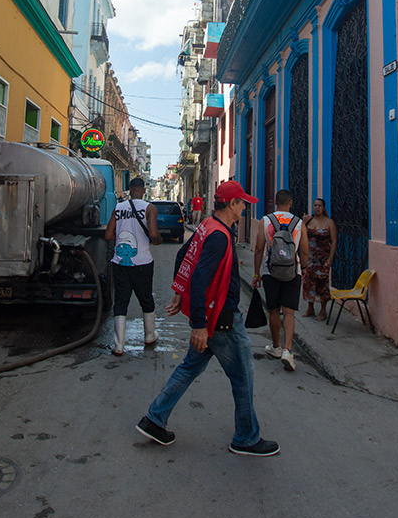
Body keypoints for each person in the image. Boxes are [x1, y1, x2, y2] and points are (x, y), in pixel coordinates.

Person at [135, 180, 279, 457]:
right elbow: (200, 277)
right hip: (221, 319)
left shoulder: (209, 226)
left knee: (189, 368)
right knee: (243, 376)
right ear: (232, 204)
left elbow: (183, 256)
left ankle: (154, 419)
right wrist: (199, 325)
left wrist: (179, 292)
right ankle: (246, 438)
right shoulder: (219, 236)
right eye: (242, 203)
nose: (244, 208)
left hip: (214, 316)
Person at [105, 177, 163, 356]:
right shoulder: (149, 208)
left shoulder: (118, 208)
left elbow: (108, 235)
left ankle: (119, 345)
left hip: (119, 263)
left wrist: (122, 240)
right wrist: (158, 240)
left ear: (130, 189)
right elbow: (153, 234)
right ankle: (149, 335)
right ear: (144, 191)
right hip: (143, 263)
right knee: (146, 298)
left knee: (121, 301)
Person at [253, 189, 308, 372]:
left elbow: (259, 248)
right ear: (290, 202)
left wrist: (256, 273)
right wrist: (304, 268)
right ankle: (287, 350)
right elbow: (305, 250)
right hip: (293, 271)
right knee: (289, 312)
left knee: (274, 311)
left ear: (275, 201)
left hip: (271, 271)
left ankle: (275, 346)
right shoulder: (299, 222)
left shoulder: (266, 221)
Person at [300, 198, 338, 321]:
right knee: (308, 283)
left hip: (323, 259)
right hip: (310, 259)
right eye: (315, 205)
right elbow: (300, 235)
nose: (317, 207)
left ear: (324, 208)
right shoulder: (309, 221)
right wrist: (303, 223)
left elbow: (334, 241)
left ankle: (323, 310)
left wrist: (330, 259)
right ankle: (310, 308)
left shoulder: (329, 222)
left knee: (322, 284)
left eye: (319, 205)